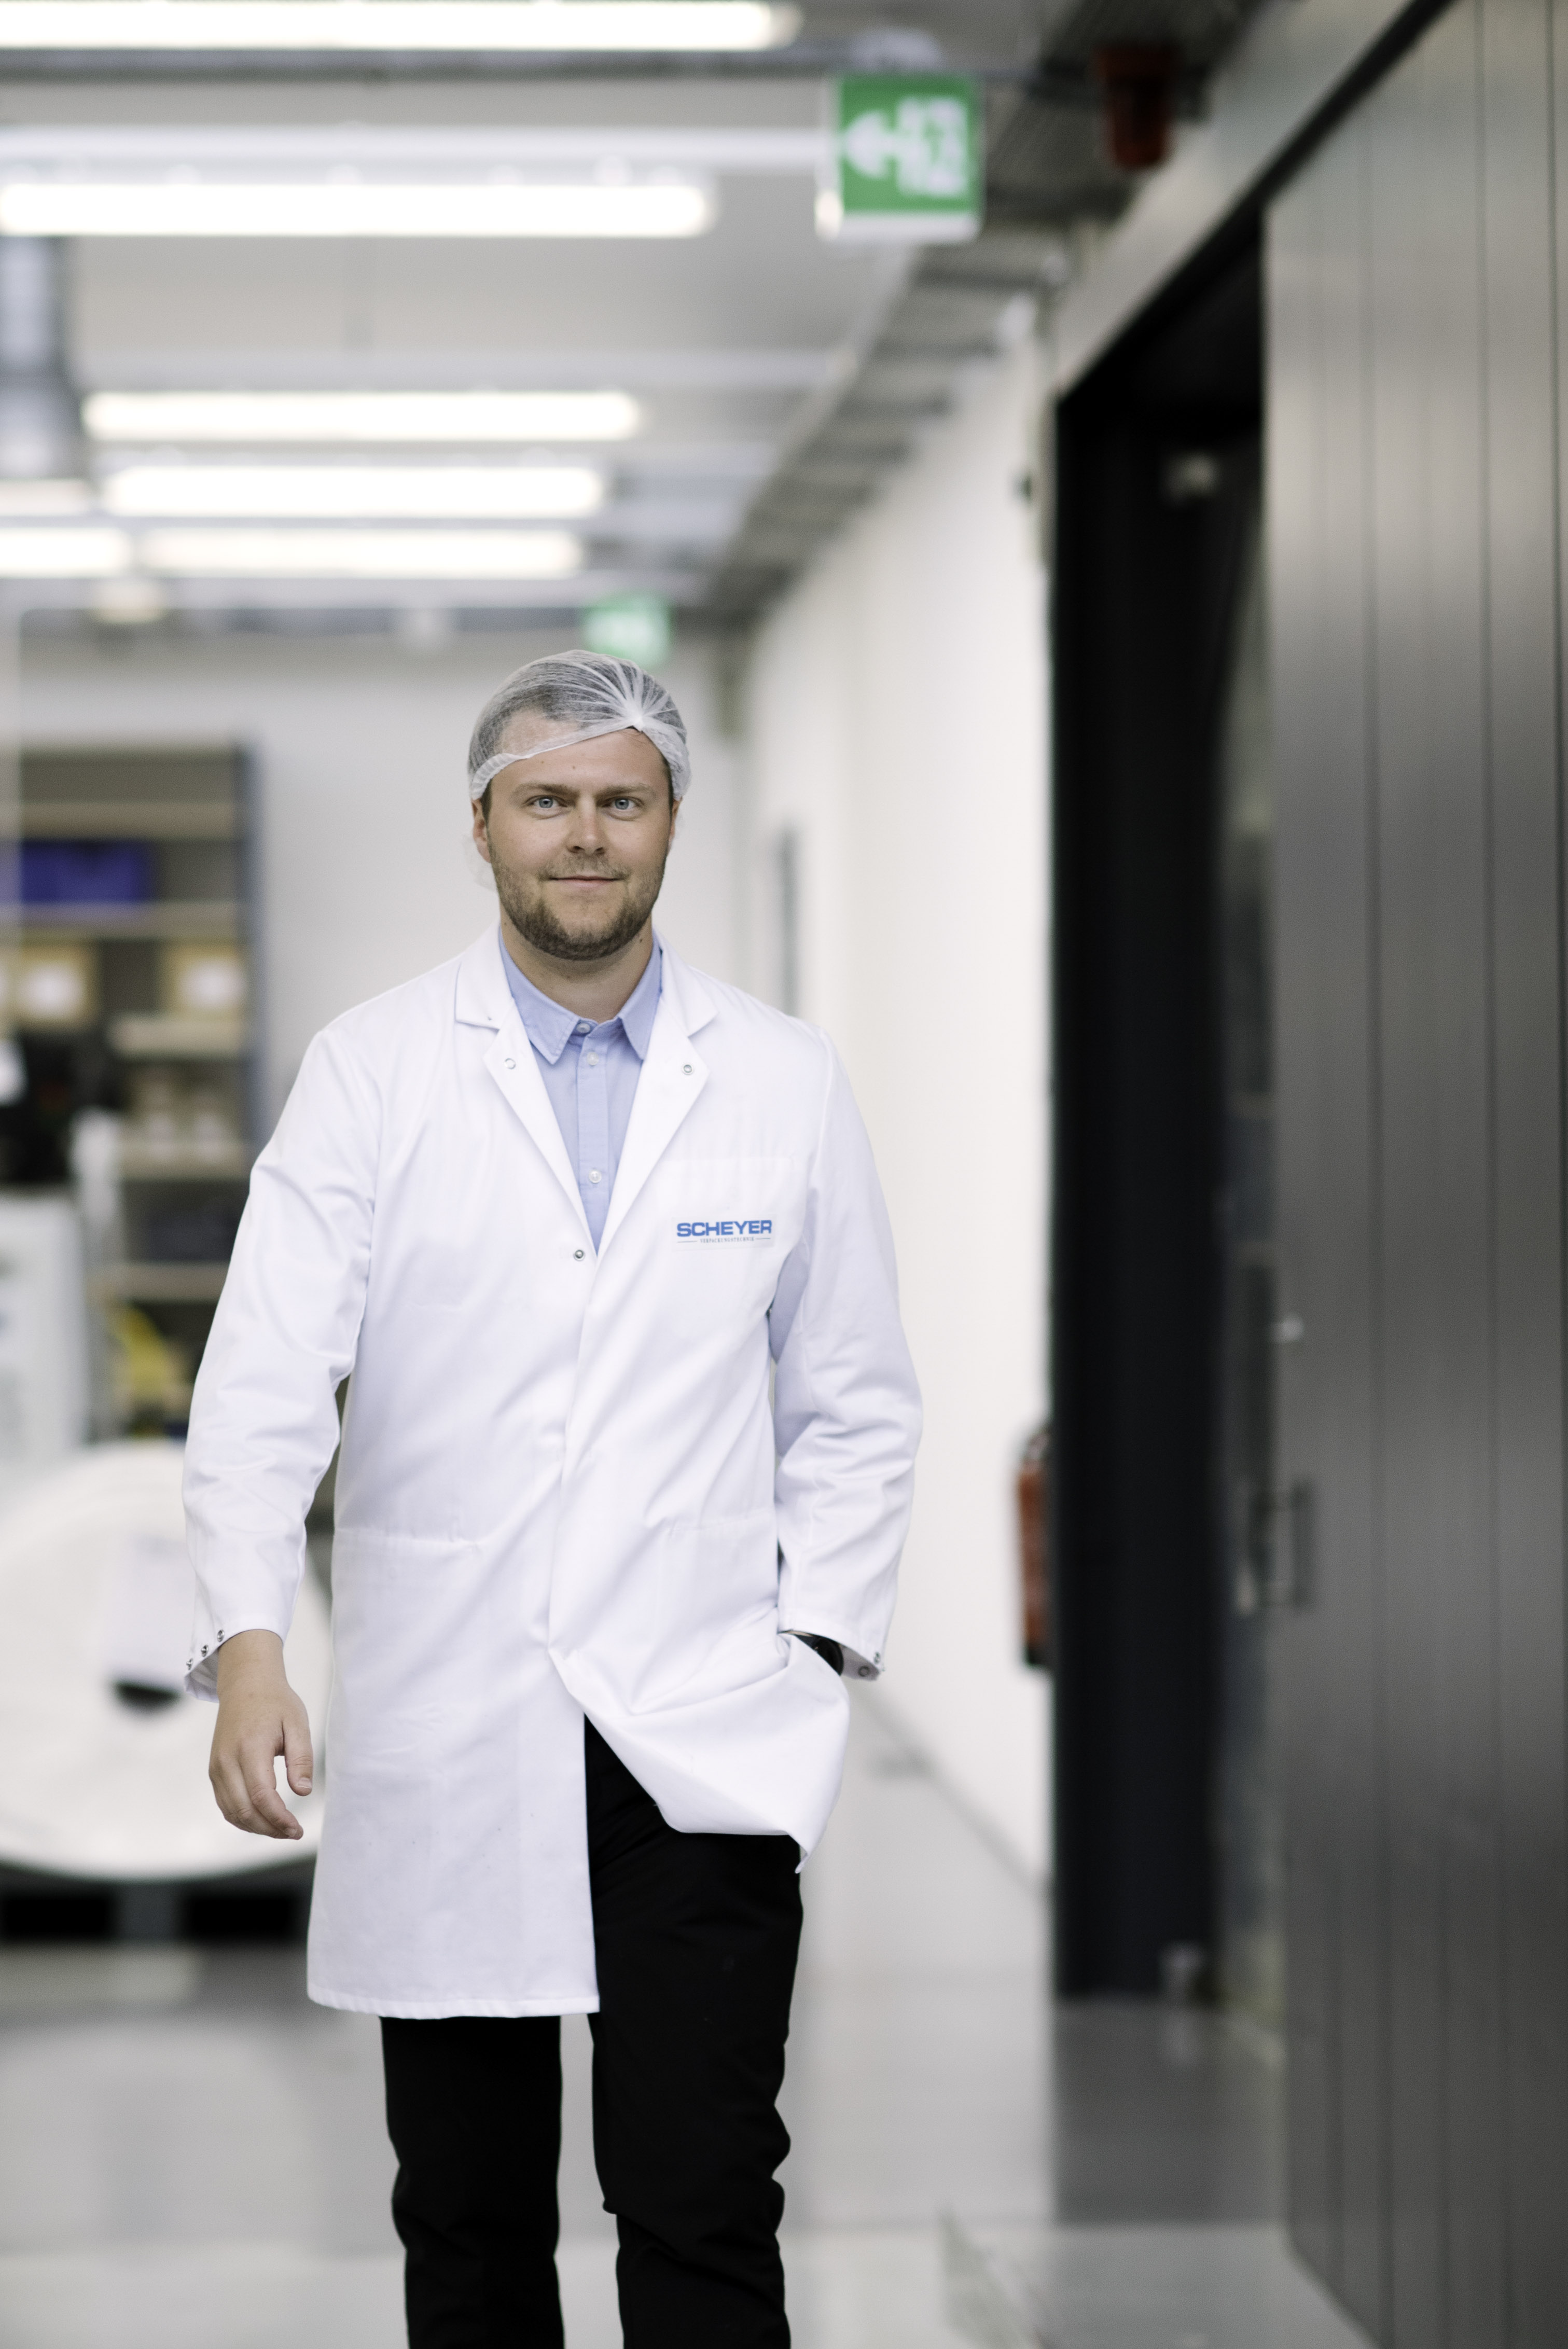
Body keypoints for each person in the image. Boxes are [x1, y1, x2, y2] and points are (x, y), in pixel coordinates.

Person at [184, 651, 922, 2349]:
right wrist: (246, 1644)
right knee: (467, 2214)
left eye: (621, 800)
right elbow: (264, 1380)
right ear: (483, 828)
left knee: (708, 2196)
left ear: (670, 822)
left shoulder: (782, 1079)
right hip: (461, 1708)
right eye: (548, 802)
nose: (584, 836)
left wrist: (808, 1643)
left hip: (703, 1720)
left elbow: (857, 1399)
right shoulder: (373, 1074)